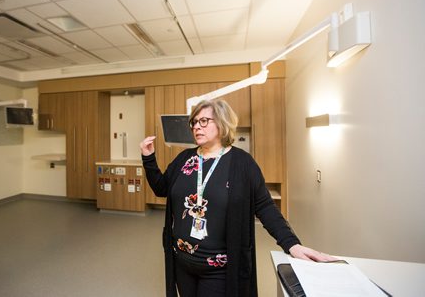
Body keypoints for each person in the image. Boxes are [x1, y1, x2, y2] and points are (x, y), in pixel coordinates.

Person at [140, 99, 334, 297]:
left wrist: (291, 244)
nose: (197, 126)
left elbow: (265, 207)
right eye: (194, 122)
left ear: (222, 123)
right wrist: (148, 158)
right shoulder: (185, 159)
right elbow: (161, 188)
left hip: (219, 269)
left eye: (204, 121)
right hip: (182, 262)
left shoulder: (242, 163)